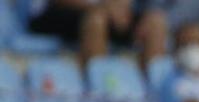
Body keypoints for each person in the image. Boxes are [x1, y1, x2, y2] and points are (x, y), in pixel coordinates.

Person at [25, 0, 166, 66]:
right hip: (56, 12)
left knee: (155, 22)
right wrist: (103, 7)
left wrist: (121, 9)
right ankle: (98, 84)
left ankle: (156, 93)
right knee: (97, 20)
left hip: (106, 12)